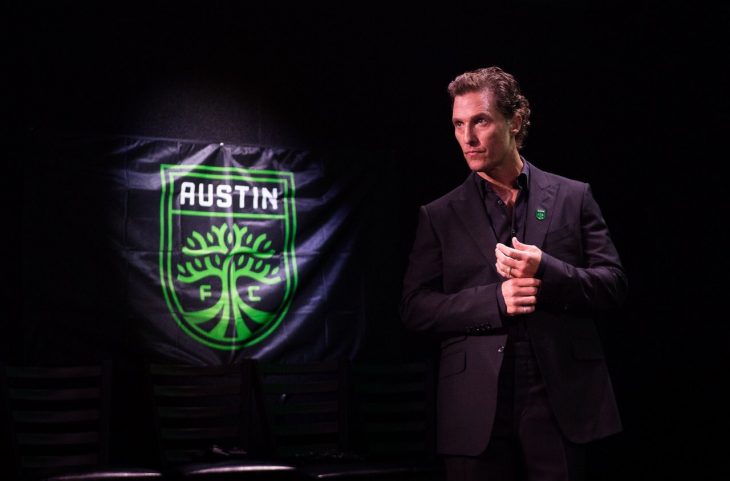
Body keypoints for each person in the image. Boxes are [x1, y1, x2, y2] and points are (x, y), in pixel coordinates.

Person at [400, 66, 627, 481]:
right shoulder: (439, 215)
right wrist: (494, 301)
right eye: (458, 124)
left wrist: (548, 269)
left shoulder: (573, 197)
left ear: (515, 120)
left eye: (480, 121)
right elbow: (416, 308)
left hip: (561, 397)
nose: (467, 137)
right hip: (475, 405)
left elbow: (613, 286)